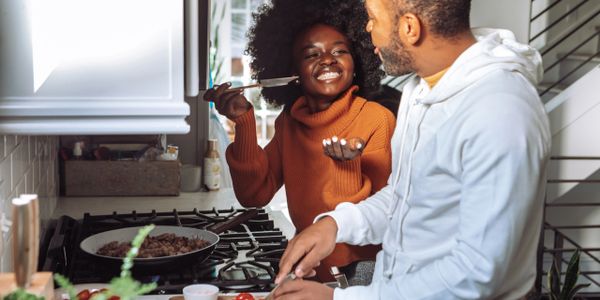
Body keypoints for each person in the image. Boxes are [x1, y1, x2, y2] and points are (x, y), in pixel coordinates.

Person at [273, 0, 551, 299]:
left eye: (372, 19)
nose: (367, 30)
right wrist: (335, 224)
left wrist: (338, 298)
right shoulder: (419, 91)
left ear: (409, 28)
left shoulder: (499, 110)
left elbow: (477, 272)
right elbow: (405, 197)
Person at [203, 0, 396, 282]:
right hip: (308, 267)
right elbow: (253, 195)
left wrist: (346, 169)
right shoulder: (290, 122)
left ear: (357, 62)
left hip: (360, 275)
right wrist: (244, 122)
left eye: (340, 51)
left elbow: (387, 215)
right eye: (311, 54)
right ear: (292, 74)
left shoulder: (377, 119)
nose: (328, 59)